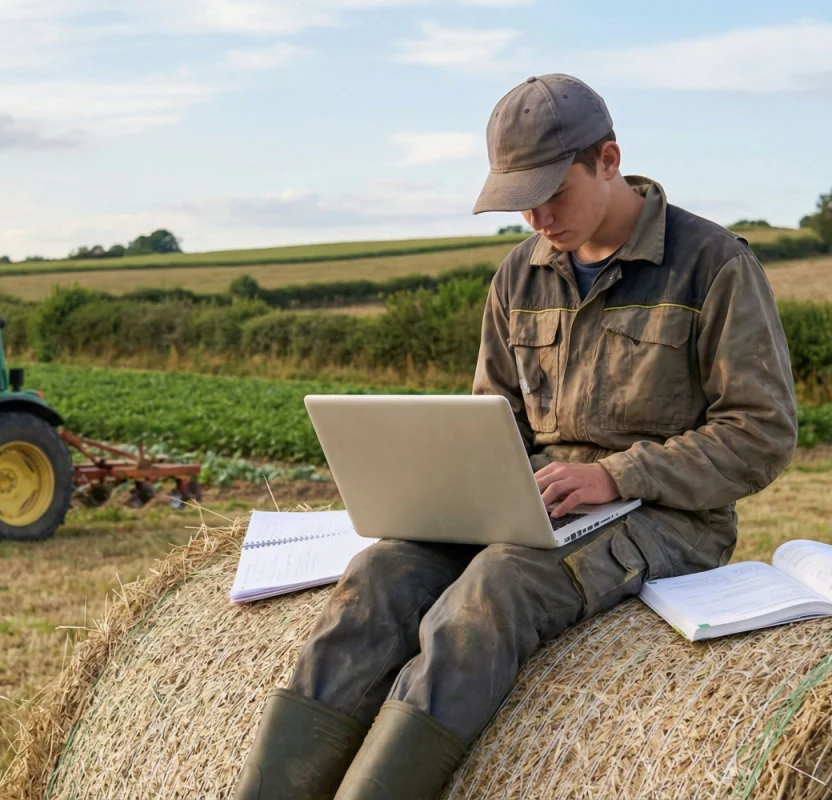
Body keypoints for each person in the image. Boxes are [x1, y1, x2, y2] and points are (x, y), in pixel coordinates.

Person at [235, 74, 798, 799]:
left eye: (551, 194)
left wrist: (618, 476)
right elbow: (491, 416)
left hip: (666, 517)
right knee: (377, 579)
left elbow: (761, 433)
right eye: (518, 202)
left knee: (492, 592)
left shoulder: (714, 265)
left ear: (608, 158)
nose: (536, 218)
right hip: (533, 501)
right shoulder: (519, 275)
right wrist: (459, 487)